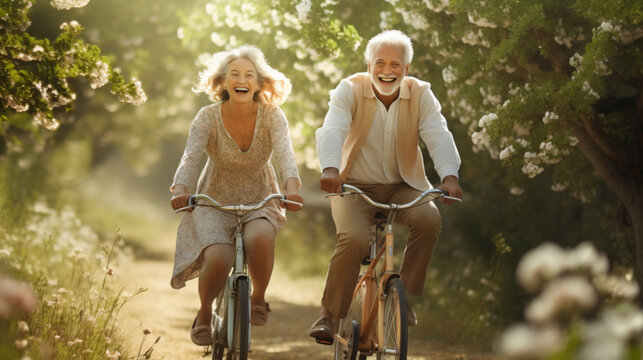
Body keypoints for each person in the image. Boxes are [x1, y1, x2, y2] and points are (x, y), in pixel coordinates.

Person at [309, 30, 462, 342]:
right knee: (353, 238)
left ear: (406, 69)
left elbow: (437, 133)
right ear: (369, 65)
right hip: (352, 187)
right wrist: (330, 168)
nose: (387, 70)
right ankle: (328, 314)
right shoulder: (349, 89)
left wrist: (449, 177)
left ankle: (402, 296)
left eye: (395, 64)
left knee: (429, 219)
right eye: (380, 63)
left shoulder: (420, 93)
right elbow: (333, 128)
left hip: (401, 185)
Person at [169, 45, 303, 346]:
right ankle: (204, 312)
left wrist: (291, 188)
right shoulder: (207, 117)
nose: (242, 79)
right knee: (219, 256)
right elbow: (190, 156)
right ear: (223, 82)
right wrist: (180, 188)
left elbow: (285, 155)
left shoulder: (272, 116)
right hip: (214, 198)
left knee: (261, 238)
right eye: (234, 74)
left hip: (262, 196)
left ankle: (258, 298)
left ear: (258, 84)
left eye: (249, 75)